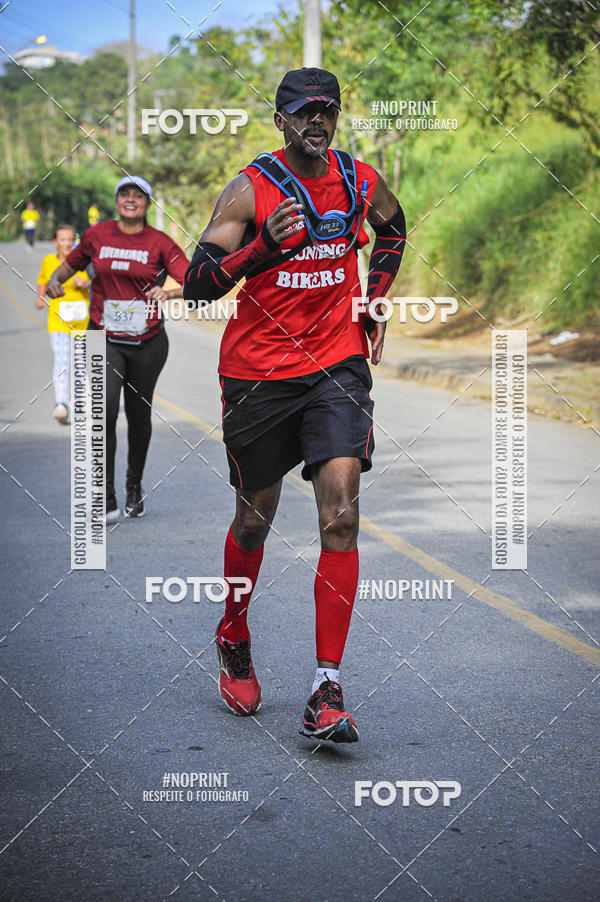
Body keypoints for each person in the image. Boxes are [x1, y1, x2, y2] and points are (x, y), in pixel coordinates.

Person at [184, 68, 406, 742]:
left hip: (336, 364)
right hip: (256, 375)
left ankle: (325, 686)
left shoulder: (358, 179)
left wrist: (375, 294)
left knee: (340, 512)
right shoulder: (250, 190)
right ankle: (233, 630)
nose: (318, 121)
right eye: (304, 112)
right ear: (279, 120)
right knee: (255, 516)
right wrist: (262, 249)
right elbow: (196, 286)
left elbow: (393, 229)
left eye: (328, 110)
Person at [46, 176, 189, 521]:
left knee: (139, 417)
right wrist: (55, 281)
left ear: (147, 204)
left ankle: (134, 487)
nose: (130, 199)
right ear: (116, 201)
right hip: (103, 337)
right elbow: (73, 262)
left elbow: (191, 278)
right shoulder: (98, 235)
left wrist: (167, 293)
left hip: (147, 343)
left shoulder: (159, 242)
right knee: (103, 413)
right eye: (124, 193)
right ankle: (105, 496)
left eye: (137, 195)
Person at [36, 224, 90, 423]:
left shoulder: (83, 262)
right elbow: (43, 280)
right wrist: (41, 298)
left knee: (80, 363)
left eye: (70, 239)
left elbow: (98, 280)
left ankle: (77, 401)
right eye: (62, 239)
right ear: (55, 242)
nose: (66, 243)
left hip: (82, 322)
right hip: (58, 320)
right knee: (61, 359)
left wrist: (85, 284)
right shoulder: (48, 261)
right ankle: (61, 403)